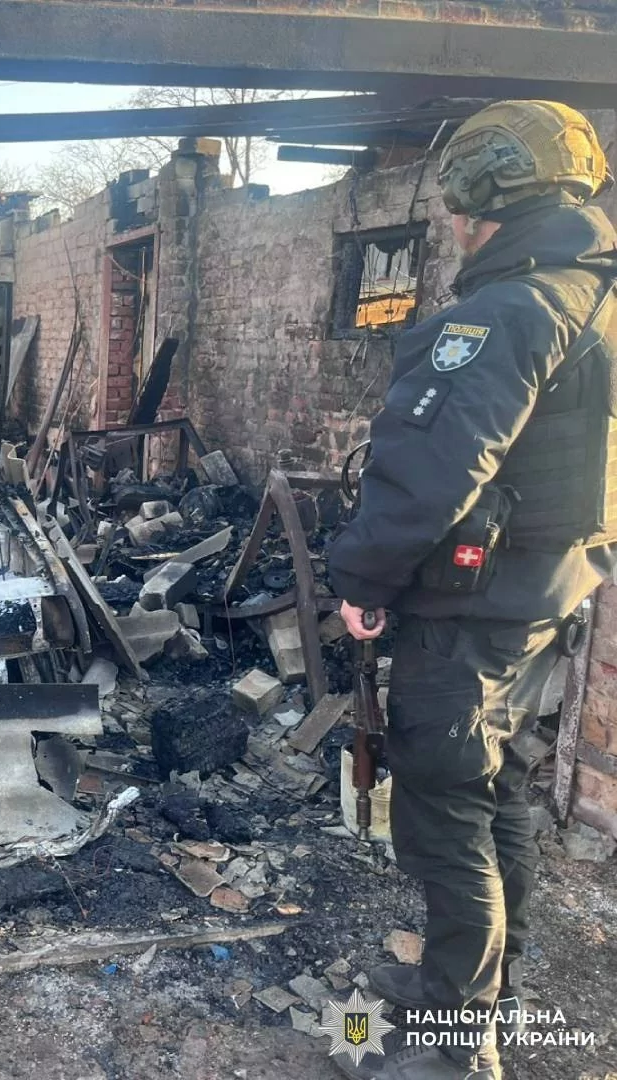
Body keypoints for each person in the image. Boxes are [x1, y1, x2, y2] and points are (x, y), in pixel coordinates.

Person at [327, 100, 617, 1080]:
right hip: (547, 596)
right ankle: (491, 987)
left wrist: (362, 577)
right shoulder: (593, 298)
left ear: (487, 195)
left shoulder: (506, 312)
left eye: (457, 202)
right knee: (495, 793)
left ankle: (457, 1047)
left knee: (445, 812)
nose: (451, 221)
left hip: (471, 608)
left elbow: (430, 473)